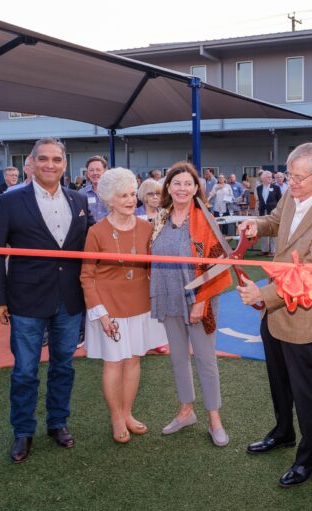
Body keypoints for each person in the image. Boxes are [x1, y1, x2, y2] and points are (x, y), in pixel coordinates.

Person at [237, 142, 312, 488]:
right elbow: (274, 221)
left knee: (304, 389)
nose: (292, 183)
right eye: (289, 175)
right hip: (274, 311)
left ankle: (309, 458)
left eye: (299, 178)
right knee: (277, 379)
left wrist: (264, 295)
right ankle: (283, 431)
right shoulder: (292, 193)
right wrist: (257, 224)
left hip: (297, 309)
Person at [0, 137, 92, 464]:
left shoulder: (79, 200)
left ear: (64, 163)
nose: (50, 164)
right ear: (31, 163)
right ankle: (23, 430)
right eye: (43, 158)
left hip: (69, 300)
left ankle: (57, 422)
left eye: (56, 159)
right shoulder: (9, 202)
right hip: (26, 300)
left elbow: (91, 245)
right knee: (25, 371)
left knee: (64, 366)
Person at [80, 167, 167, 443]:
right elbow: (87, 275)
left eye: (132, 194)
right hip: (109, 309)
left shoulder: (147, 227)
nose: (130, 200)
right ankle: (116, 416)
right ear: (109, 199)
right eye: (122, 196)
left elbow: (156, 267)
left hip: (140, 306)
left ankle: (128, 413)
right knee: (114, 363)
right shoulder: (96, 231)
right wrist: (100, 313)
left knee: (133, 361)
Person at [150, 161, 231, 447]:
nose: (182, 188)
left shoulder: (204, 218)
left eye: (188, 183)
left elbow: (220, 262)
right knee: (177, 357)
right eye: (176, 183)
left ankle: (214, 419)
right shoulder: (160, 217)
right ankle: (186, 411)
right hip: (168, 296)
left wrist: (203, 299)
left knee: (206, 360)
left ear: (197, 188)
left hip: (198, 299)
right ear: (168, 188)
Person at [135, 178, 169, 354]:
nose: (155, 197)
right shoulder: (134, 214)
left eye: (158, 193)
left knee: (157, 303)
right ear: (143, 196)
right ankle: (139, 339)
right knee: (140, 303)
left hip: (161, 266)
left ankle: (157, 340)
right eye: (151, 193)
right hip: (139, 266)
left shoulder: (166, 214)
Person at [256, 170, 282, 256]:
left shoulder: (276, 188)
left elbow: (280, 201)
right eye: (267, 177)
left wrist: (278, 211)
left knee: (273, 230)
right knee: (263, 230)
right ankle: (264, 250)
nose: (270, 179)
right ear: (262, 179)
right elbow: (260, 200)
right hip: (263, 211)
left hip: (273, 212)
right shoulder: (258, 188)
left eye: (270, 177)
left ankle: (273, 251)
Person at [81, 155, 109, 223]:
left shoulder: (115, 192)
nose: (95, 173)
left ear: (105, 171)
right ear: (87, 173)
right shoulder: (81, 194)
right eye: (91, 170)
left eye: (98, 170)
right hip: (89, 232)